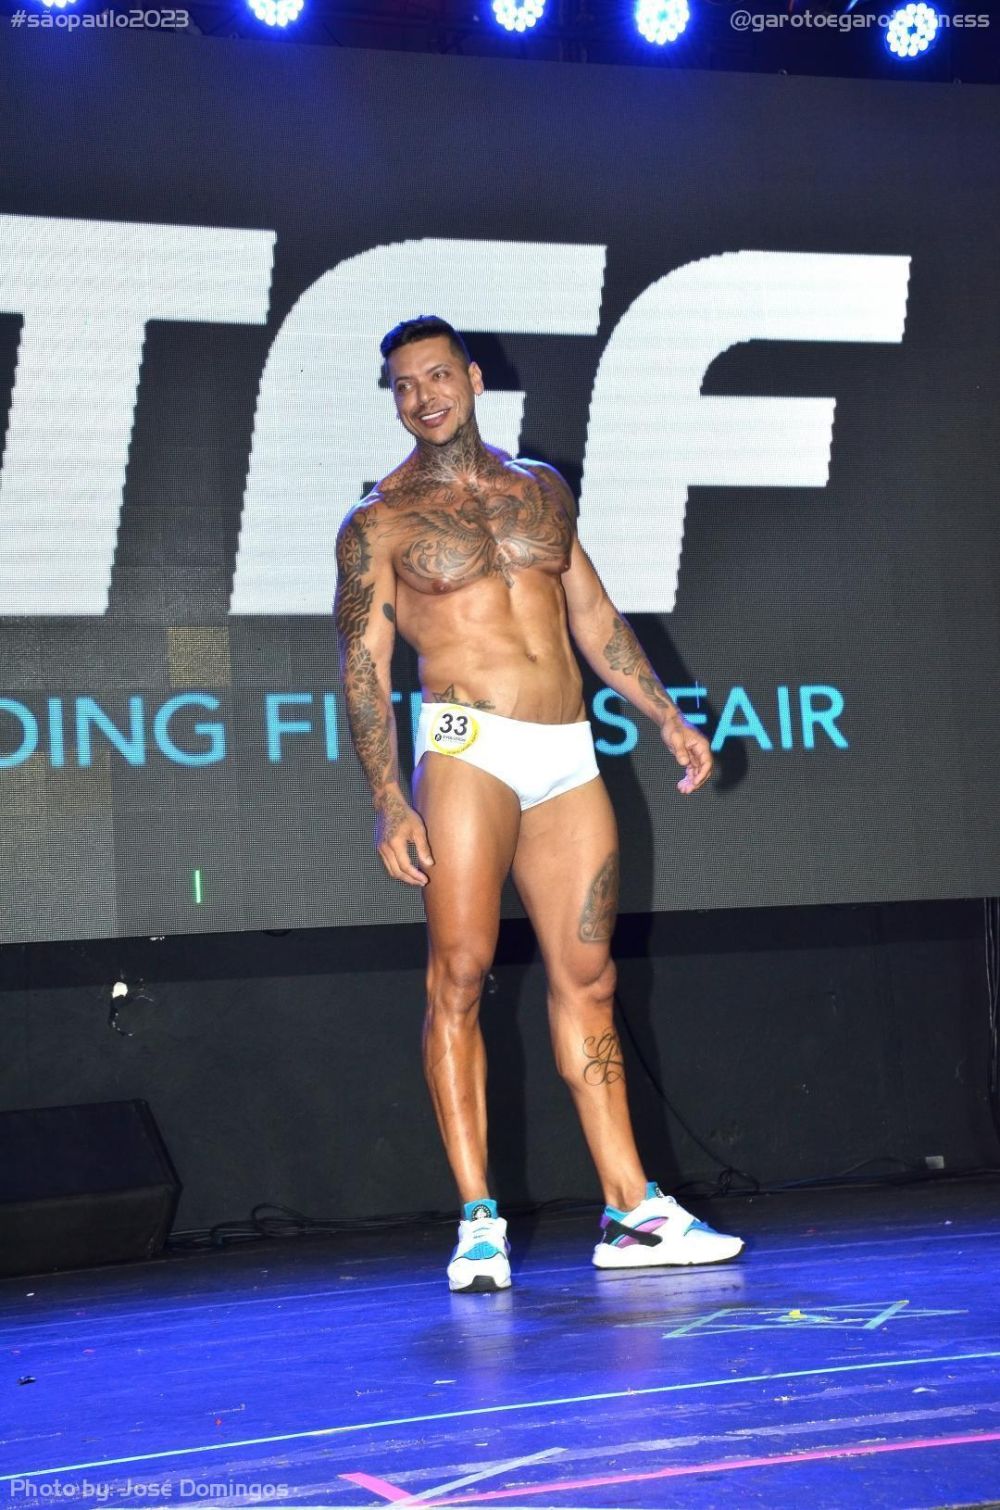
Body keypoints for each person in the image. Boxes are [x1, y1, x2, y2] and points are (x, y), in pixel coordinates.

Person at [334, 315, 743, 1292]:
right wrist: (389, 797)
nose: (423, 396)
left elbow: (592, 615)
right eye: (404, 385)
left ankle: (631, 1211)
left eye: (437, 375)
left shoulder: (541, 490)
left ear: (474, 379)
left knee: (589, 980)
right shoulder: (378, 522)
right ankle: (479, 1221)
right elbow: (363, 663)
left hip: (565, 754)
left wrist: (665, 715)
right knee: (461, 974)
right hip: (466, 748)